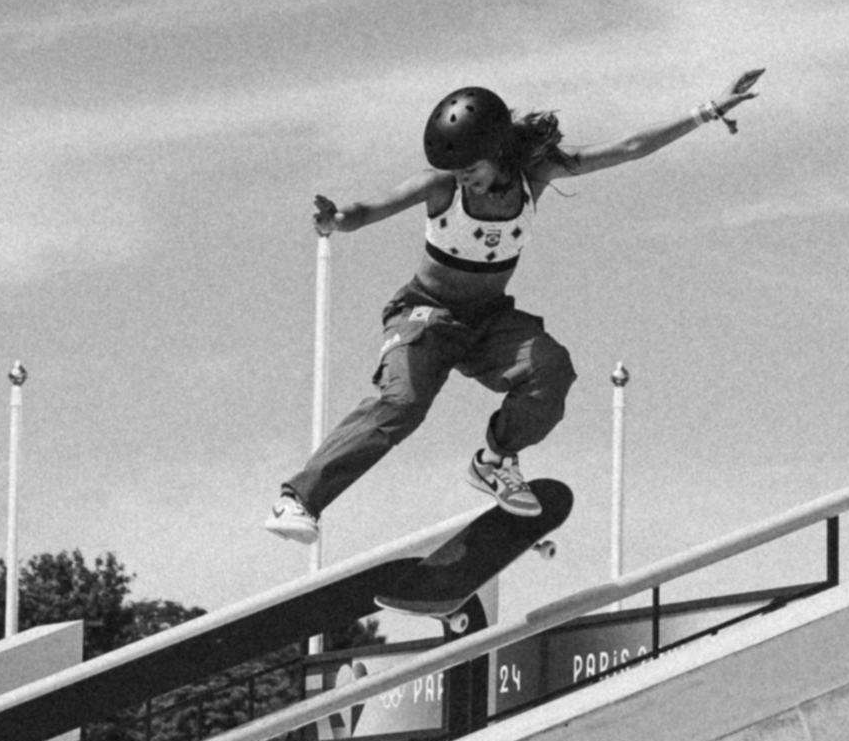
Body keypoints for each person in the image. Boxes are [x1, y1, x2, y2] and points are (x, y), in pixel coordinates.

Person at [265, 73, 765, 545]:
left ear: (498, 151)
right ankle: (299, 499)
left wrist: (707, 111)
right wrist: (339, 219)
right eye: (459, 175)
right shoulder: (439, 186)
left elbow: (630, 148)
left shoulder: (537, 175)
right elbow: (370, 209)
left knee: (551, 370)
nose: (468, 184)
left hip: (489, 323)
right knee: (403, 403)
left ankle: (495, 460)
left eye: (474, 172)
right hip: (426, 314)